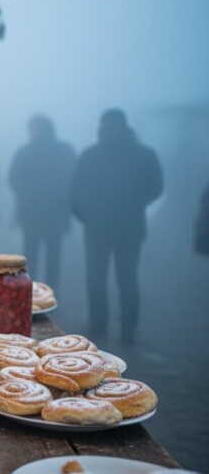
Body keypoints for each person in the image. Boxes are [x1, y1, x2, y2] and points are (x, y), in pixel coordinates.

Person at [71, 108, 163, 343]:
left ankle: (101, 327)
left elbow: (76, 191)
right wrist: (135, 203)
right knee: (124, 279)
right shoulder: (143, 154)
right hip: (126, 227)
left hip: (103, 228)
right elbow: (155, 188)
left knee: (103, 279)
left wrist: (87, 215)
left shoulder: (91, 155)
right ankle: (125, 331)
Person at [8, 114, 77, 288]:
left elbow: (13, 179)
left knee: (33, 254)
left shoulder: (25, 152)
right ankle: (47, 292)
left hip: (34, 213)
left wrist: (26, 195)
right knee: (50, 255)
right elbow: (74, 179)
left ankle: (30, 292)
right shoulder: (64, 150)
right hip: (55, 212)